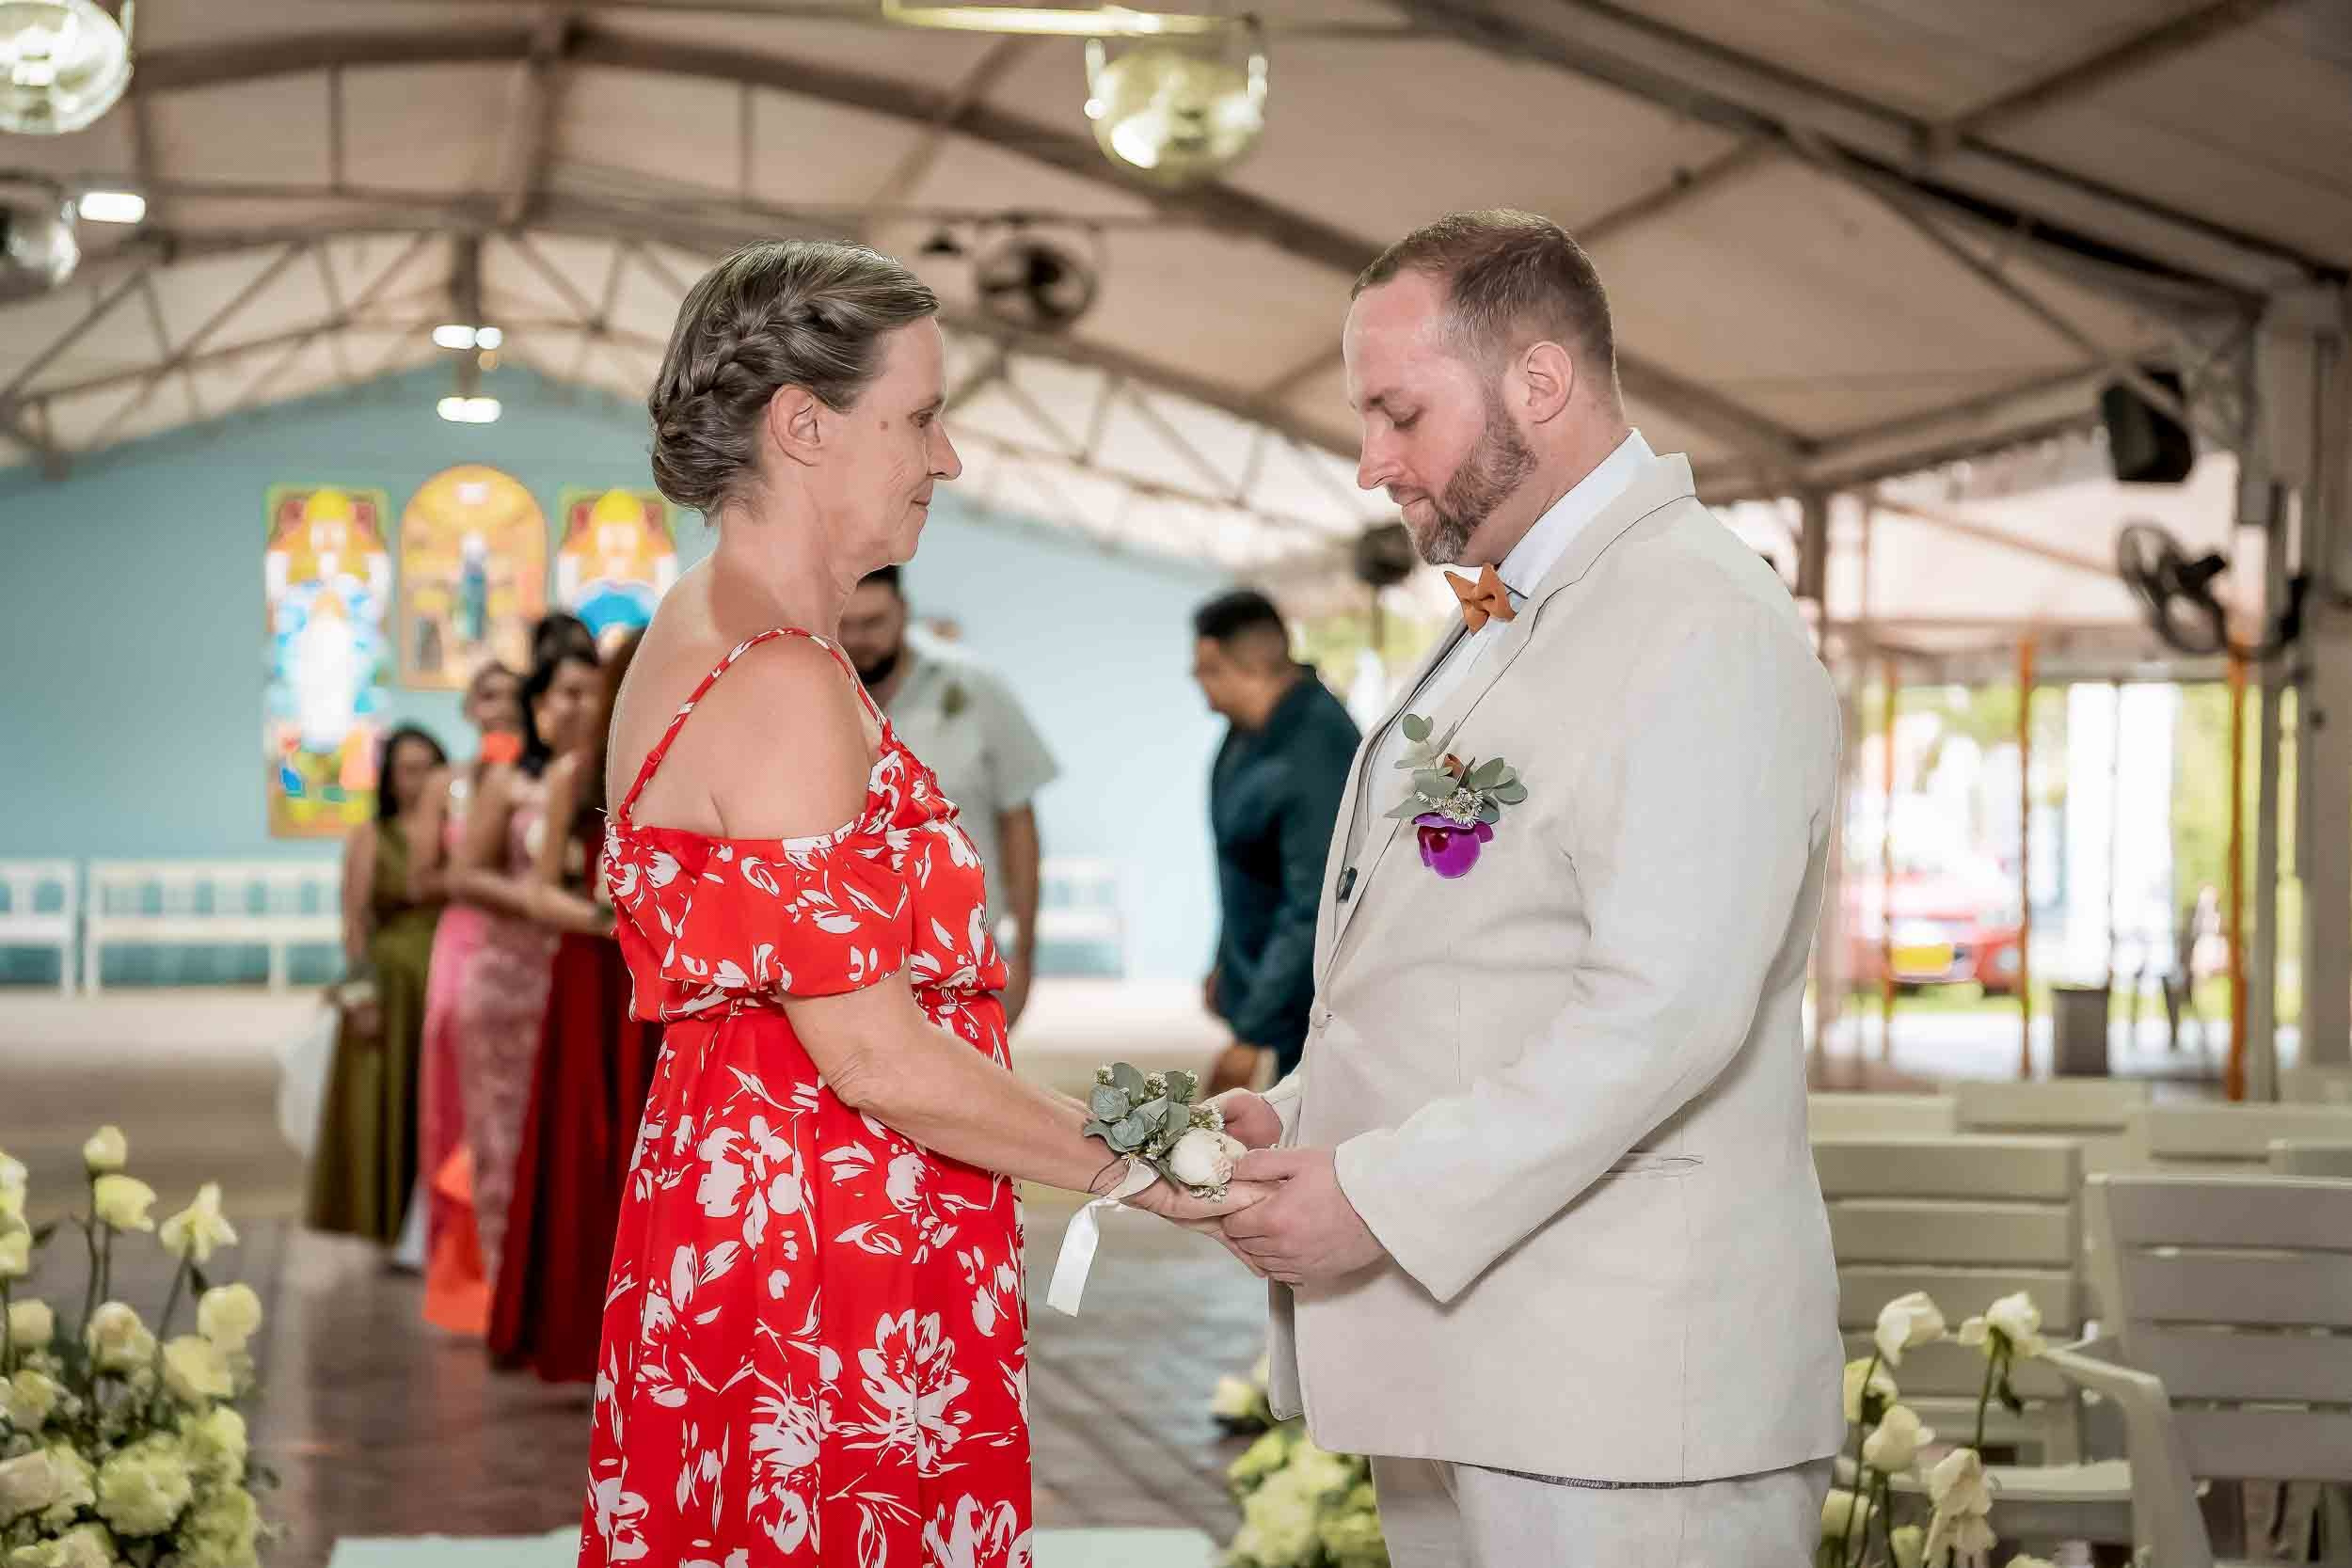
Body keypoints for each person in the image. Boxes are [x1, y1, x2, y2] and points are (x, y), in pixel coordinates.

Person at [580, 239, 1257, 1568]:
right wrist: (1145, 1164)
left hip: (763, 1192)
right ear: (804, 425)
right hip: (825, 1235)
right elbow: (874, 1053)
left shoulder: (715, 624)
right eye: (921, 417)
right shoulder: (779, 674)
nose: (944, 459)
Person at [1211, 211, 1844, 1567]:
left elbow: (1665, 1008)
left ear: (1540, 382)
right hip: (1479, 1369)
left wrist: (1377, 1195)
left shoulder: (1698, 620)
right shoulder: (1512, 614)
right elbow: (1471, 952)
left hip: (1621, 1395)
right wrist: (1308, 1114)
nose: (1372, 461)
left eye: (1399, 412)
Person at [490, 632, 660, 1384]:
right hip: (596, 975)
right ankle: (583, 1324)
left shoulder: (695, 766)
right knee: (590, 1140)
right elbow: (537, 893)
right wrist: (606, 920)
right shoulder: (579, 771)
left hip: (670, 979)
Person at [838, 565, 1058, 1027]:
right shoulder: (812, 694)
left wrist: (1025, 955)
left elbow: (1018, 824)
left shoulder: (975, 688)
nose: (859, 640)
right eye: (847, 625)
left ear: (903, 612)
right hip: (847, 958)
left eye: (873, 623)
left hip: (965, 958)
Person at [449, 642, 603, 1292]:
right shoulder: (512, 778)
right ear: (539, 704)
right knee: (502, 1140)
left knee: (571, 1145)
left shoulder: (604, 778)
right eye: (568, 692)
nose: (582, 705)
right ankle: (502, 1289)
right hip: (509, 976)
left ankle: (563, 1287)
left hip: (581, 980)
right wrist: (550, 901)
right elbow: (465, 874)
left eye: (593, 691)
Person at [1192, 589, 1360, 1094]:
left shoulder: (1316, 747)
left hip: (1313, 1002)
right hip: (1269, 988)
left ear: (1238, 665)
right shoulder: (1246, 732)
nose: (1195, 678)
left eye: (1204, 667)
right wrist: (1227, 965)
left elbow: (1314, 904)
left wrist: (1252, 1033)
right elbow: (1242, 864)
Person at [409, 660, 524, 1326]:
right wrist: (472, 871)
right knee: (456, 1101)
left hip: (532, 946)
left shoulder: (540, 778)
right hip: (467, 943)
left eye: (509, 695)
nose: (498, 707)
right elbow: (421, 877)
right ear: (468, 708)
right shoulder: (447, 785)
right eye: (486, 696)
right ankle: (465, 1272)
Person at [306, 723, 449, 1247]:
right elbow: (355, 922)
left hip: (445, 976)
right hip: (393, 987)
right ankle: (392, 1224)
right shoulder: (373, 836)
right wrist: (360, 994)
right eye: (408, 770)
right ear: (389, 778)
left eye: (429, 768)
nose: (419, 780)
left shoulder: (453, 832)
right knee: (392, 1100)